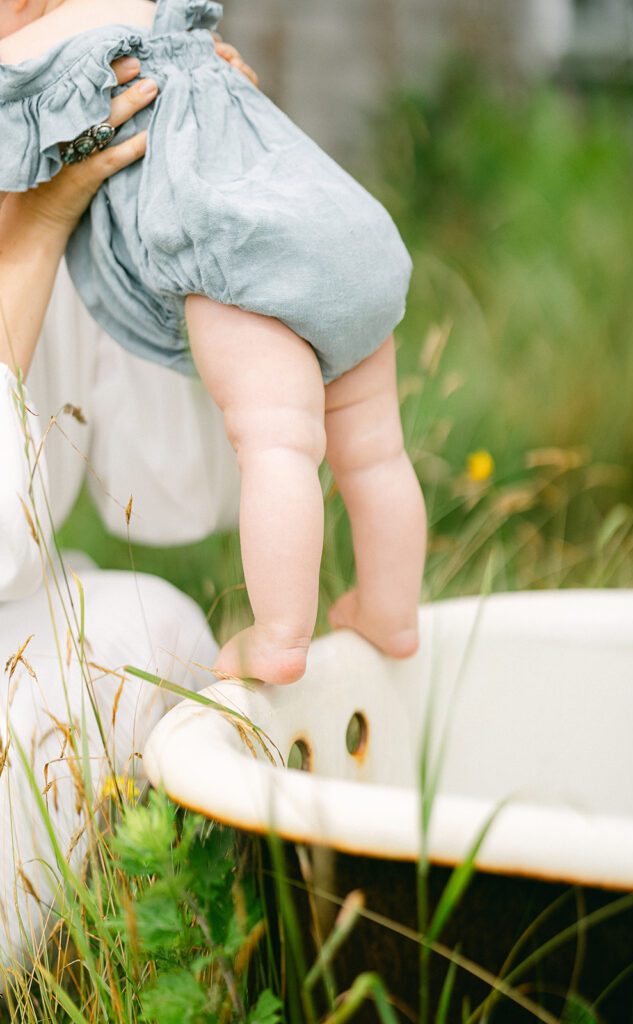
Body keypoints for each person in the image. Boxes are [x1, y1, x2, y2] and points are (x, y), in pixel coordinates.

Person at [0, 0, 428, 685]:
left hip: (244, 251)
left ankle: (280, 638)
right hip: (346, 227)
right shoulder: (167, 15)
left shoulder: (50, 49)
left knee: (279, 446)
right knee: (376, 455)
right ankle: (391, 610)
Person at [0, 44, 254, 988]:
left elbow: (168, 491)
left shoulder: (37, 144)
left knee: (152, 629)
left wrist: (191, 193)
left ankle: (97, 965)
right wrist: (27, 240)